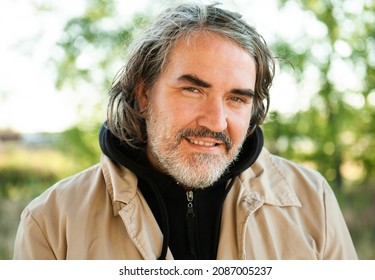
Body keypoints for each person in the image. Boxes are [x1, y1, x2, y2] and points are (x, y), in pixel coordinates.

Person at [13, 2, 357, 260]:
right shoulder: (52, 222)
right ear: (144, 93)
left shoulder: (313, 201)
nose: (216, 121)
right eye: (193, 90)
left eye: (236, 98)